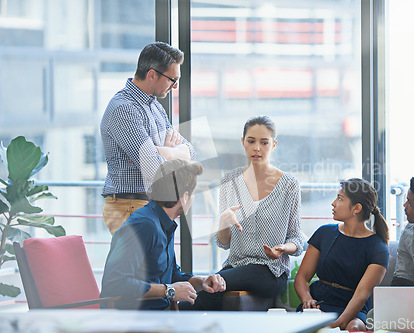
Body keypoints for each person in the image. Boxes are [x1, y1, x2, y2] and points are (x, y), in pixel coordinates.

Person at [180, 115, 303, 310]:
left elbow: (297, 239)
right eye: (251, 141)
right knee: (210, 290)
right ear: (243, 142)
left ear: (274, 144)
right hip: (235, 268)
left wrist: (281, 249)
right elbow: (223, 242)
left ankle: (172, 317)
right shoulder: (230, 180)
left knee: (210, 286)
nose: (257, 148)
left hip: (270, 271)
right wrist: (224, 222)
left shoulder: (289, 185)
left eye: (264, 142)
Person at [100, 159, 225, 310]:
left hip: (158, 315)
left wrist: (202, 282)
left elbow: (170, 275)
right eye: (193, 194)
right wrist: (169, 291)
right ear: (185, 197)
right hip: (133, 319)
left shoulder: (164, 222)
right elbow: (115, 283)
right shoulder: (144, 225)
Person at [101, 42, 195, 234]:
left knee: (159, 265)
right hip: (131, 206)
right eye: (172, 79)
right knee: (141, 265)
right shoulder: (124, 109)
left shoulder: (155, 107)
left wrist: (163, 152)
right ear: (152, 74)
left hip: (150, 204)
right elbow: (154, 169)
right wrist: (171, 155)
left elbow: (190, 152)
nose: (175, 87)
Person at [294, 178, 389, 331]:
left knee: (354, 327)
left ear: (356, 208)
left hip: (353, 309)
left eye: (339, 198)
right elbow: (302, 278)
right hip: (319, 303)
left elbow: (361, 295)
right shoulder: (323, 233)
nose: (333, 203)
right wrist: (307, 300)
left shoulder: (378, 247)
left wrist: (338, 323)